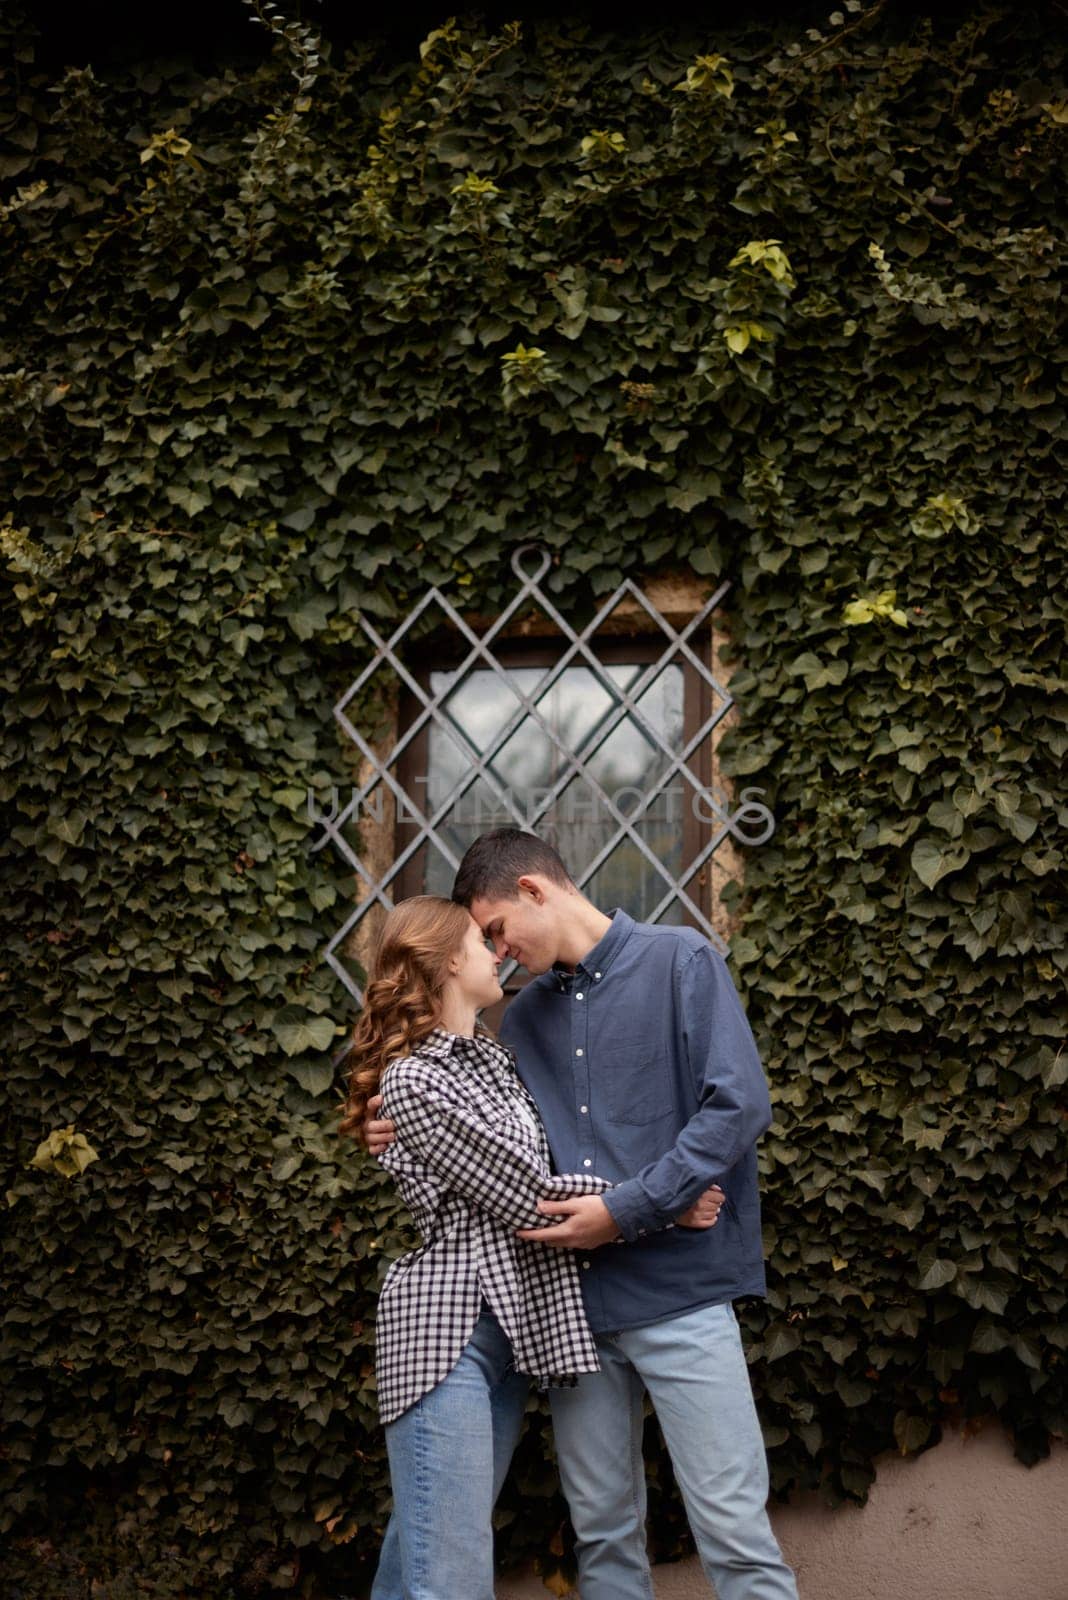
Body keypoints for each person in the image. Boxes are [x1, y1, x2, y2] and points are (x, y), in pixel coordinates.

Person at [367, 830, 799, 1600]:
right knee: (603, 1539)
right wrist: (393, 1124)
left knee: (735, 1536)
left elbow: (737, 1106)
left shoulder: (681, 961)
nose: (496, 953)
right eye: (483, 943)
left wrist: (634, 1208)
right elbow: (500, 1145)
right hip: (579, 1317)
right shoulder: (521, 1023)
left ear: (535, 889)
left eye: (496, 929)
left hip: (683, 1300)